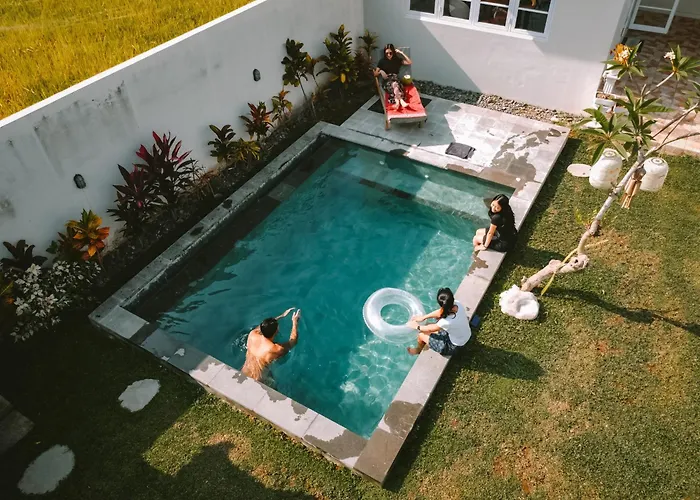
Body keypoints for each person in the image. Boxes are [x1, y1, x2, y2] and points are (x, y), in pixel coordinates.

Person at [241, 307, 301, 382]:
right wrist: (295, 322)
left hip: (244, 372)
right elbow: (293, 342)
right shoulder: (274, 349)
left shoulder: (252, 334)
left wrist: (281, 315)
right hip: (258, 380)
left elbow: (262, 326)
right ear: (276, 331)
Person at [406, 287, 471, 356]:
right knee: (426, 325)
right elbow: (439, 312)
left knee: (421, 335)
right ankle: (427, 341)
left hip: (454, 346)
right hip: (464, 335)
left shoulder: (446, 322)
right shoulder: (457, 304)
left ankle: (418, 350)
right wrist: (423, 317)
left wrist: (416, 326)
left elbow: (430, 329)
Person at [373, 44, 412, 109]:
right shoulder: (382, 61)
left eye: (390, 53)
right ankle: (401, 101)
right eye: (386, 53)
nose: (388, 55)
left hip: (395, 78)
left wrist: (401, 53)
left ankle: (397, 102)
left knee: (395, 85)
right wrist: (380, 72)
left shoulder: (397, 60)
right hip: (387, 80)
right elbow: (375, 74)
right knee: (394, 85)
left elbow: (409, 62)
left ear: (393, 52)